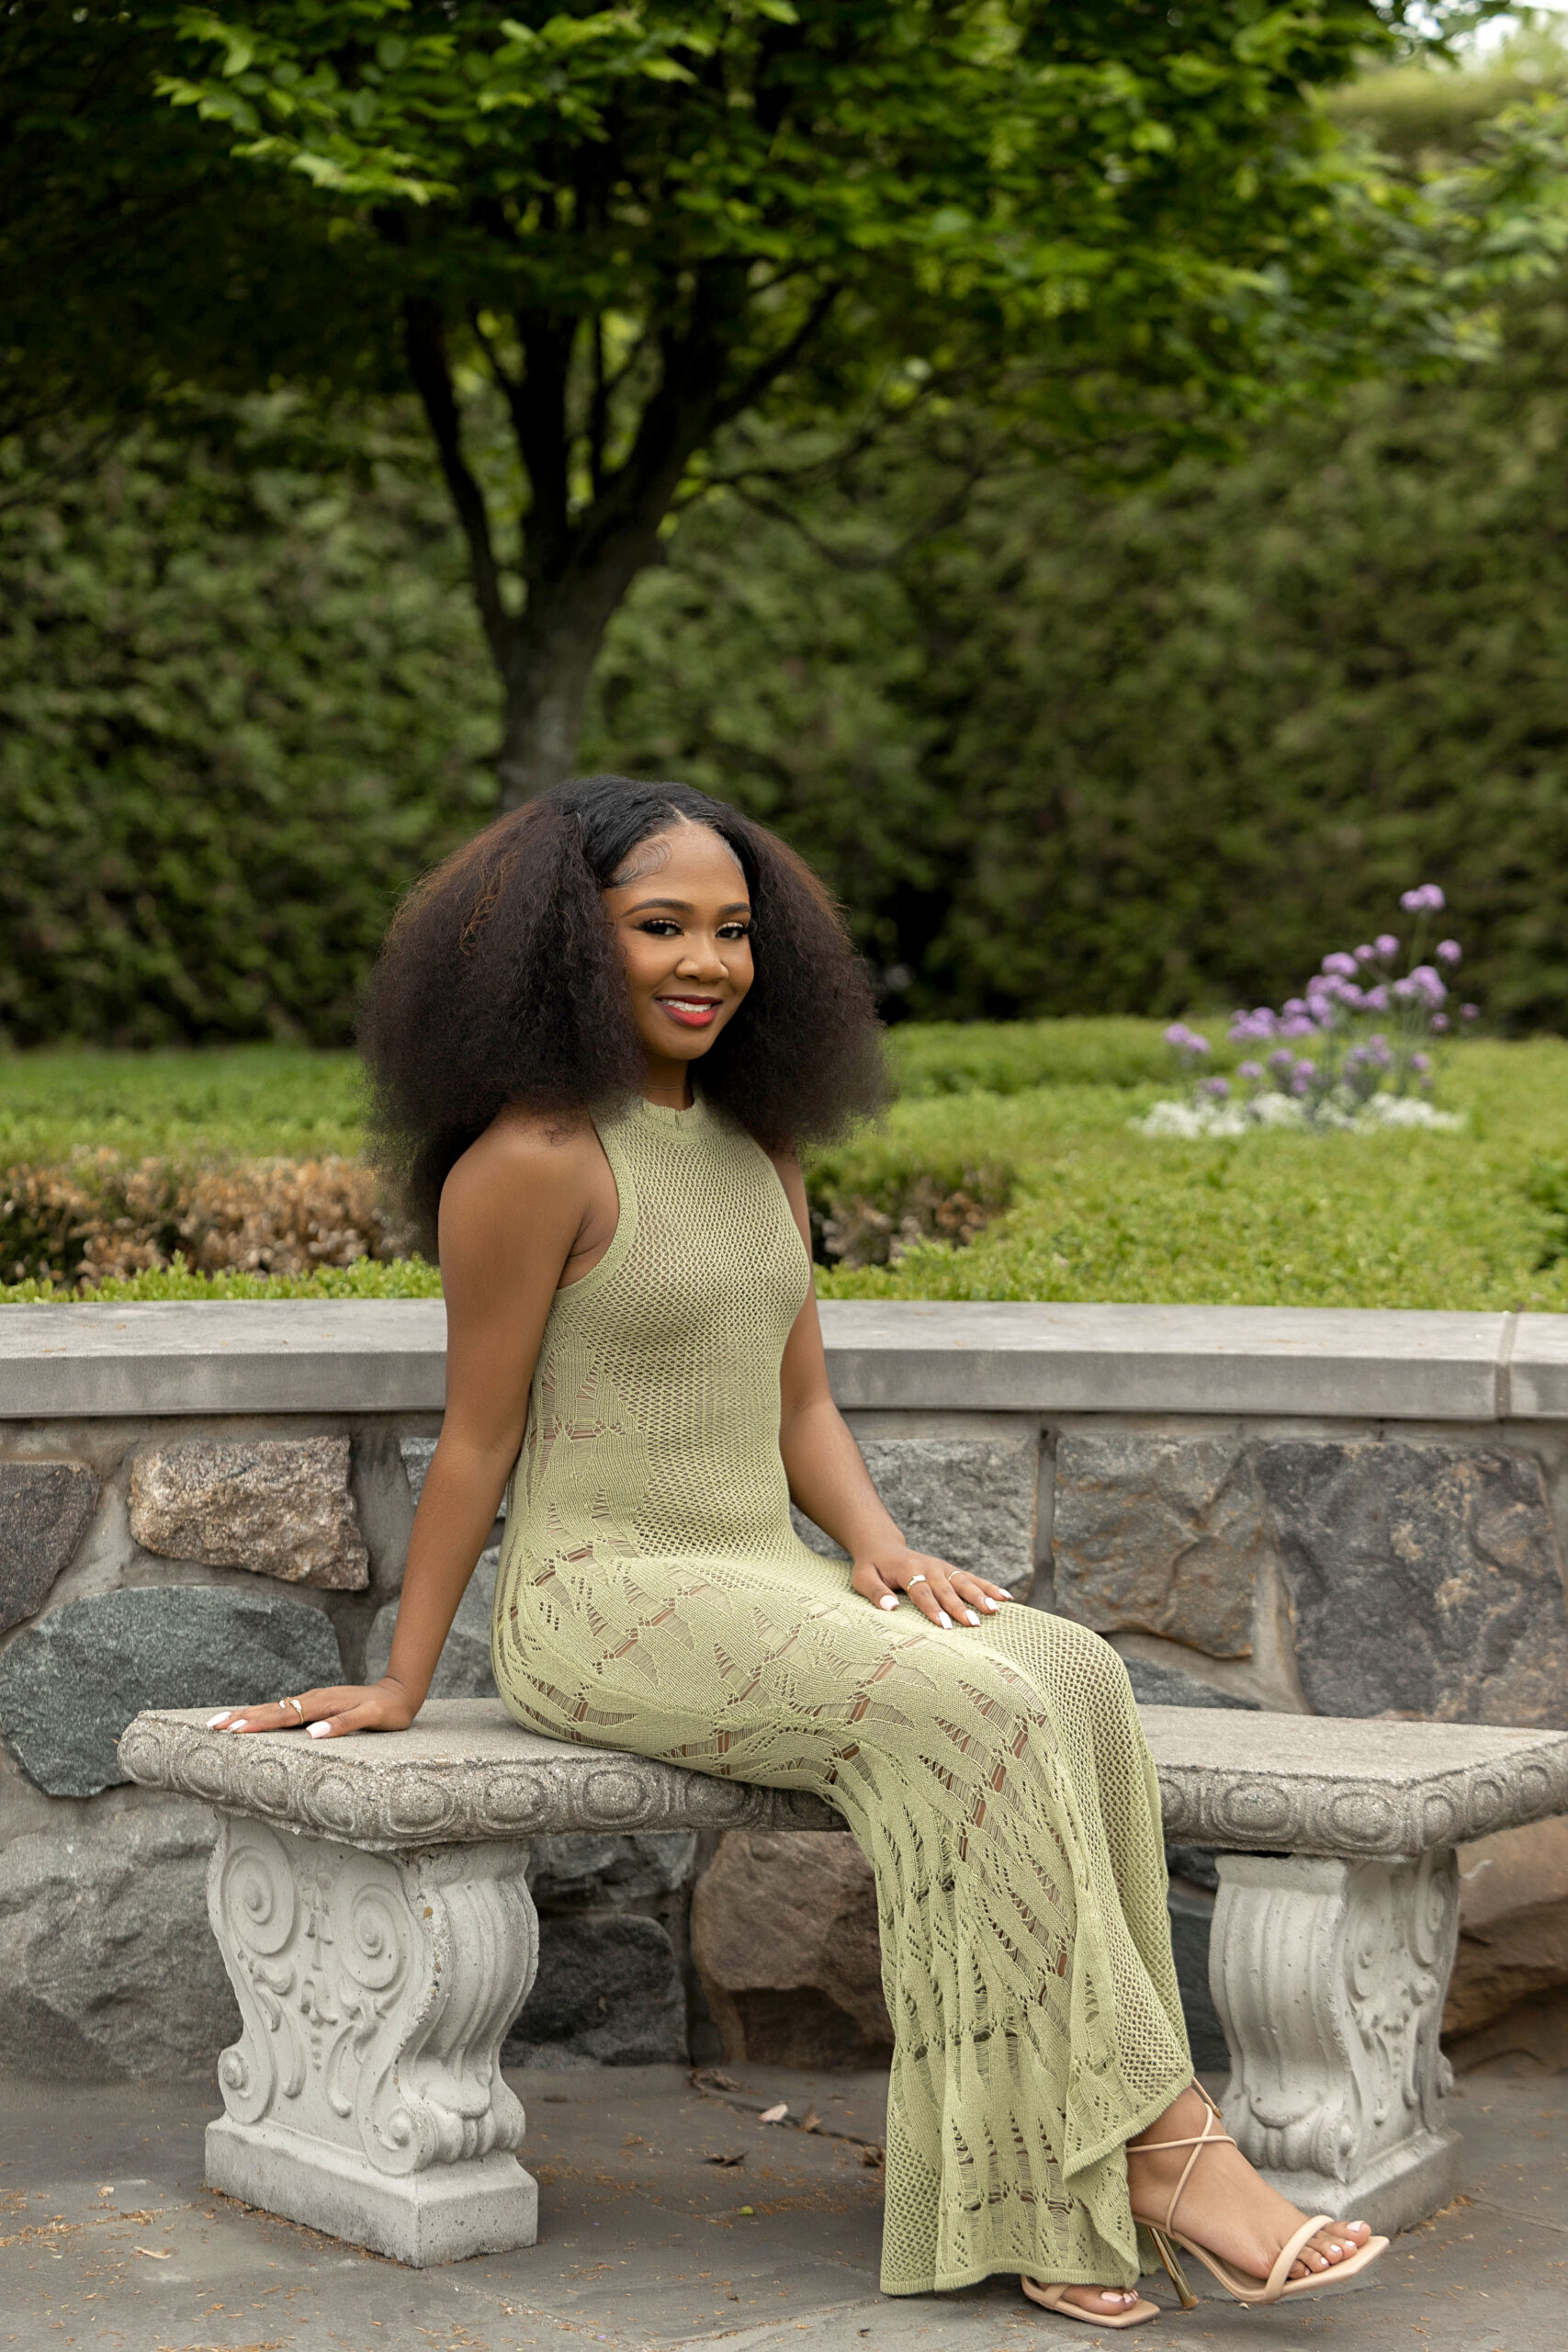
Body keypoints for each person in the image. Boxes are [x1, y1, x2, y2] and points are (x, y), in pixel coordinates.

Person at [210, 778, 1386, 2327]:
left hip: (760, 1574)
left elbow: (802, 1397)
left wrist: (886, 1552)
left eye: (733, 930)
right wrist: (406, 1677)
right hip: (605, 1602)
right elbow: (479, 1442)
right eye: (660, 927)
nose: (707, 961)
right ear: (569, 944)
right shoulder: (535, 1159)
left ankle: (1049, 2200)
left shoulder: (759, 1147)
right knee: (978, 1713)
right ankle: (1165, 2151)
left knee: (1070, 1672)